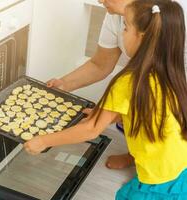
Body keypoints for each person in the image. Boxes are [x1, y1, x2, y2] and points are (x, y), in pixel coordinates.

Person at [25, 0, 187, 199]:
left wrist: (43, 141)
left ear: (142, 37)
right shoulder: (170, 72)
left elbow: (90, 130)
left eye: (126, 28)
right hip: (179, 165)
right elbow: (150, 113)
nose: (122, 33)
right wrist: (105, 114)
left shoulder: (127, 82)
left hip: (160, 181)